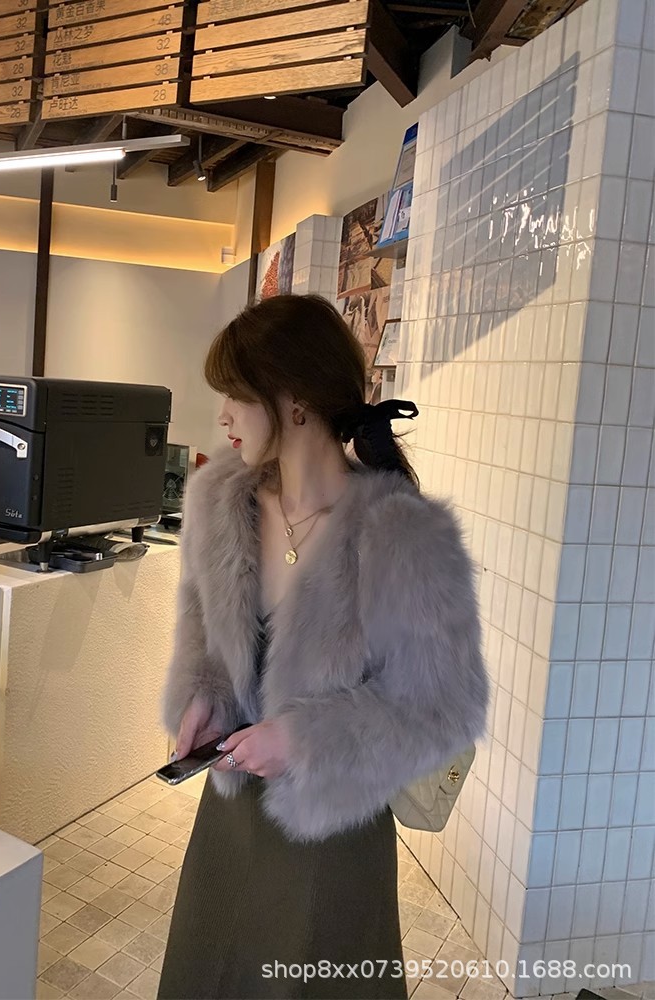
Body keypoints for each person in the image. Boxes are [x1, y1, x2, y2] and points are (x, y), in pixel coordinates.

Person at [158, 294, 489, 1000]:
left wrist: (304, 741)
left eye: (237, 395)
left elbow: (443, 708)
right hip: (228, 827)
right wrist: (207, 699)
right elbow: (205, 638)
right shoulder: (219, 505)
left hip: (333, 839)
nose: (223, 416)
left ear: (296, 400)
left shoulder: (401, 534)